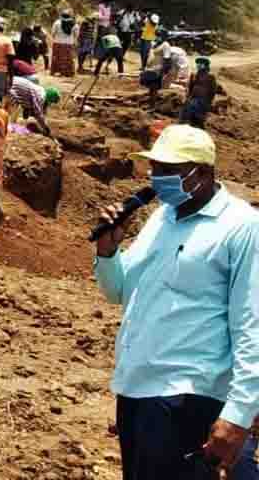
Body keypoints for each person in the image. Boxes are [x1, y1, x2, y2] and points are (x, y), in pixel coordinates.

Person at [93, 125, 259, 480]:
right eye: (154, 168)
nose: (156, 178)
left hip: (189, 395)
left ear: (202, 172)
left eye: (168, 171)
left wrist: (239, 413)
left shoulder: (241, 225)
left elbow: (251, 323)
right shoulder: (162, 217)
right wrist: (107, 252)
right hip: (136, 387)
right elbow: (119, 292)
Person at [180, 57, 218, 129]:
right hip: (193, 99)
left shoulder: (210, 76)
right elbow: (190, 87)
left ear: (206, 65)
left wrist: (209, 102)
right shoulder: (194, 75)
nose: (199, 65)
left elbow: (213, 90)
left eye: (201, 63)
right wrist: (187, 97)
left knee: (198, 118)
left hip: (203, 101)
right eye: (198, 63)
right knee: (187, 115)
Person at [50, 10, 80, 78]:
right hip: (69, 43)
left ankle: (56, 71)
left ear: (61, 16)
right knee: (68, 58)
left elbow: (53, 33)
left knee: (57, 57)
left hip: (58, 42)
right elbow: (76, 35)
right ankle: (68, 72)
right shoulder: (75, 24)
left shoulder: (57, 23)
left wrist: (56, 37)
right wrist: (72, 39)